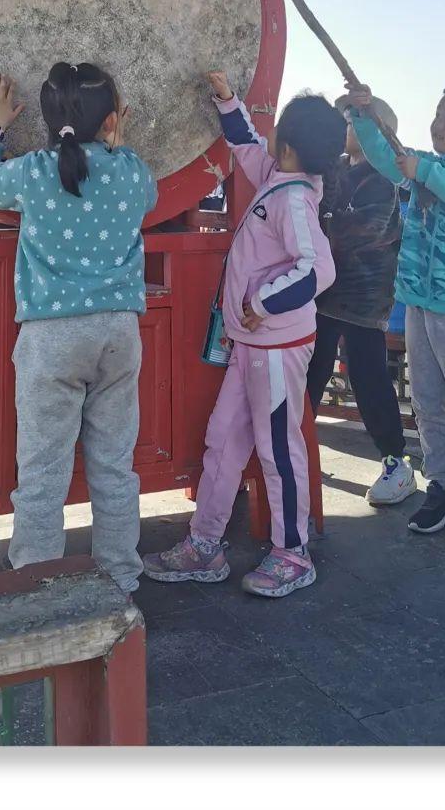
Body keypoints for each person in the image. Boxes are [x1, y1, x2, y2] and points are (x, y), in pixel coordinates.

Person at [144, 71, 346, 597]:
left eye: (278, 128)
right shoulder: (279, 177)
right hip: (251, 345)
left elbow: (318, 269)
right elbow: (246, 146)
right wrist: (227, 100)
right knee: (223, 440)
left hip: (276, 347)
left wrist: (261, 301)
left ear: (291, 147)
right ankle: (204, 544)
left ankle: (293, 554)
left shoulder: (293, 199)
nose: (269, 133)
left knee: (278, 449)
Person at [0, 63, 157, 593]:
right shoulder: (133, 171)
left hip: (51, 336)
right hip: (118, 333)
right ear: (112, 120)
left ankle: (37, 584)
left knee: (43, 471)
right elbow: (148, 199)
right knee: (114, 466)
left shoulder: (31, 172)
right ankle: (121, 578)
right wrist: (116, 144)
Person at [343, 79, 445, 548]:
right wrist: (362, 114)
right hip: (418, 303)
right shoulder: (420, 166)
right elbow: (382, 154)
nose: (438, 124)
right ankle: (442, 487)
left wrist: (427, 173)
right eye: (437, 114)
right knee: (427, 403)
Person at [306, 98, 417, 505]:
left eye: (352, 123)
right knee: (310, 375)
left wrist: (314, 227)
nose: (345, 128)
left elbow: (363, 231)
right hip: (324, 293)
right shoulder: (333, 167)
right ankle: (297, 449)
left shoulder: (384, 179)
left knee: (368, 379)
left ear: (376, 132)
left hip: (364, 298)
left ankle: (396, 463)